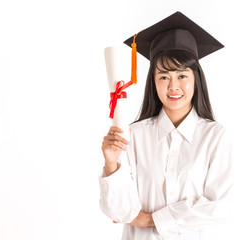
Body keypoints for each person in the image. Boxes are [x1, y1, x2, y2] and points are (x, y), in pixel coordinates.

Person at [99, 11, 233, 240]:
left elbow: (220, 207)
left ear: (196, 79)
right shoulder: (133, 136)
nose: (173, 86)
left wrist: (150, 219)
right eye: (163, 77)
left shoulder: (215, 137)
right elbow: (119, 212)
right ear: (153, 81)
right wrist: (111, 163)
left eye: (182, 76)